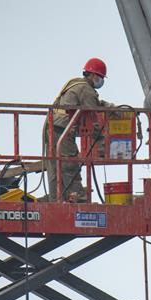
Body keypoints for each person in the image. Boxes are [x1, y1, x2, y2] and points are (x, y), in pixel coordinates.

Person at [43, 58, 112, 202]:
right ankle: (78, 197)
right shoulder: (86, 89)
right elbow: (93, 116)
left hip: (52, 126)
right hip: (62, 128)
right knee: (70, 162)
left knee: (55, 166)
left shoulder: (76, 84)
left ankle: (56, 200)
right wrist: (101, 141)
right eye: (100, 77)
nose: (100, 81)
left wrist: (109, 106)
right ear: (93, 75)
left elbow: (93, 105)